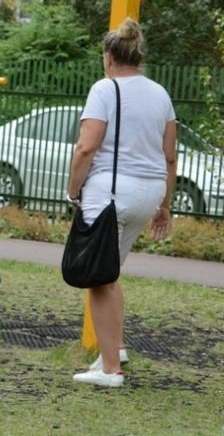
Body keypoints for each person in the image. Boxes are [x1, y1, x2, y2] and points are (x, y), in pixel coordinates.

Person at [66, 19, 176, 388]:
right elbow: (170, 155)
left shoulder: (105, 89)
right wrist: (165, 206)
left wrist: (72, 188)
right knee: (109, 272)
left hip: (112, 193)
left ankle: (110, 368)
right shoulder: (160, 93)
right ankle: (117, 349)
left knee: (99, 279)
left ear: (109, 56)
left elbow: (86, 146)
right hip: (150, 191)